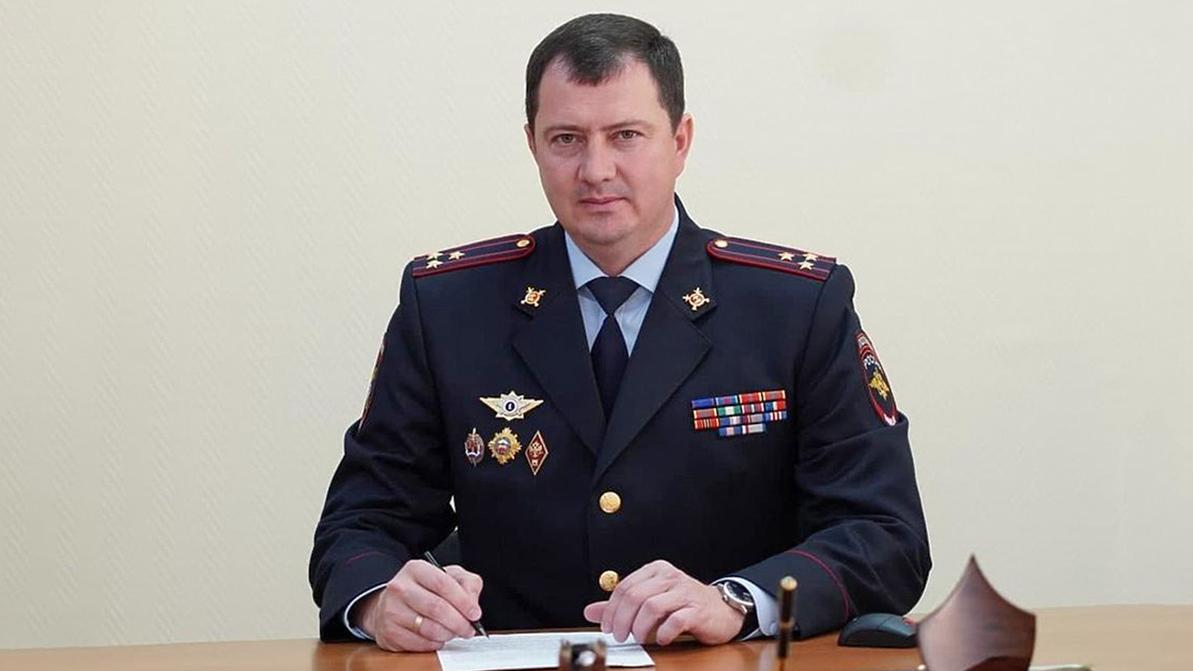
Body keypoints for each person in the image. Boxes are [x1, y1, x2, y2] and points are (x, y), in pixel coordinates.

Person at [310, 13, 930, 653]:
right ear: (532, 145)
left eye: (626, 135)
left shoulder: (795, 307)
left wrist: (738, 601)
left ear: (680, 141)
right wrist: (380, 600)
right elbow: (361, 522)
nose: (596, 170)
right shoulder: (448, 306)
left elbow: (885, 534)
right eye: (566, 139)